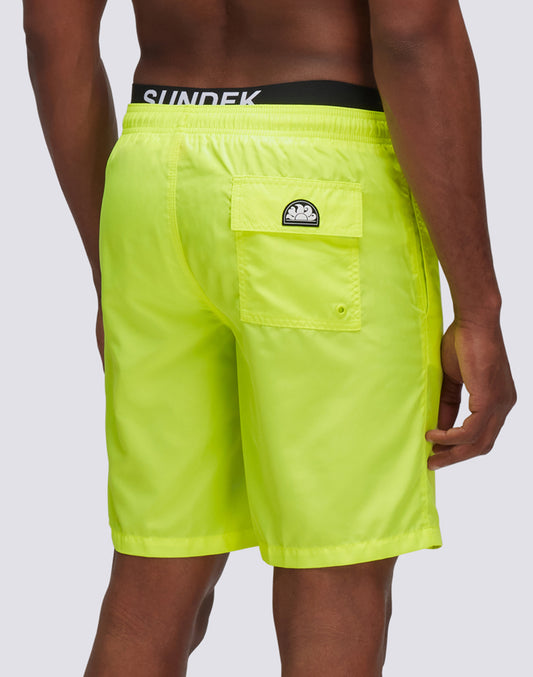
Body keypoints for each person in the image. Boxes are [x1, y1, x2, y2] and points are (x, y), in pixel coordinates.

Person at [23, 0, 517, 675]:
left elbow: (50, 33)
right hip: (318, 175)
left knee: (152, 581)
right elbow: (412, 29)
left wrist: (110, 269)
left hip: (150, 169)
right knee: (335, 577)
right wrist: (479, 308)